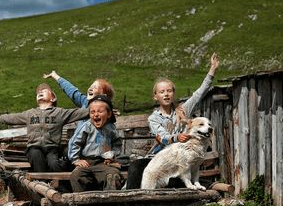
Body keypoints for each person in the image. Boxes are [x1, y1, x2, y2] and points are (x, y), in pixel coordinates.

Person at [125, 53, 220, 189]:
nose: (166, 94)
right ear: (155, 96)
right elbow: (162, 137)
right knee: (136, 166)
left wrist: (212, 70)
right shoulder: (154, 118)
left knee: (178, 179)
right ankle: (131, 203)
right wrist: (177, 137)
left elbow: (199, 93)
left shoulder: (184, 109)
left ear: (173, 93)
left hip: (182, 158)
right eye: (162, 91)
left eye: (169, 91)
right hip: (159, 158)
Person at [0, 83, 88, 172]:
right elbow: (13, 117)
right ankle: (43, 182)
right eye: (38, 92)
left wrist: (97, 109)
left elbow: (78, 113)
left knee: (54, 163)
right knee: (36, 156)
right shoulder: (30, 113)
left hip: (52, 148)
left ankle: (60, 185)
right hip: (33, 147)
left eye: (44, 91)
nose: (40, 91)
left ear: (53, 98)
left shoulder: (59, 113)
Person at [67, 95, 122, 192]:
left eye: (100, 111)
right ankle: (83, 204)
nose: (96, 114)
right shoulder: (86, 127)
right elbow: (74, 142)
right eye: (92, 112)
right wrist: (75, 160)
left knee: (112, 175)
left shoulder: (111, 128)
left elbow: (117, 144)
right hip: (87, 162)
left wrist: (112, 156)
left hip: (104, 163)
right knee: (77, 176)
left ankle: (110, 203)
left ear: (109, 114)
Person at [43, 71, 115, 108]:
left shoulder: (105, 114)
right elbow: (71, 90)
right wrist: (55, 76)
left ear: (103, 96)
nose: (91, 88)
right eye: (91, 86)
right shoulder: (85, 102)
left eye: (95, 87)